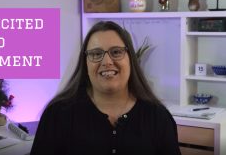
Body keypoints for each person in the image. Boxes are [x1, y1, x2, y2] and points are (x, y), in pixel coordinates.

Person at [30, 21, 181, 155]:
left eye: (116, 52)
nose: (107, 61)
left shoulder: (158, 117)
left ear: (131, 60)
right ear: (86, 63)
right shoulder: (57, 114)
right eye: (96, 54)